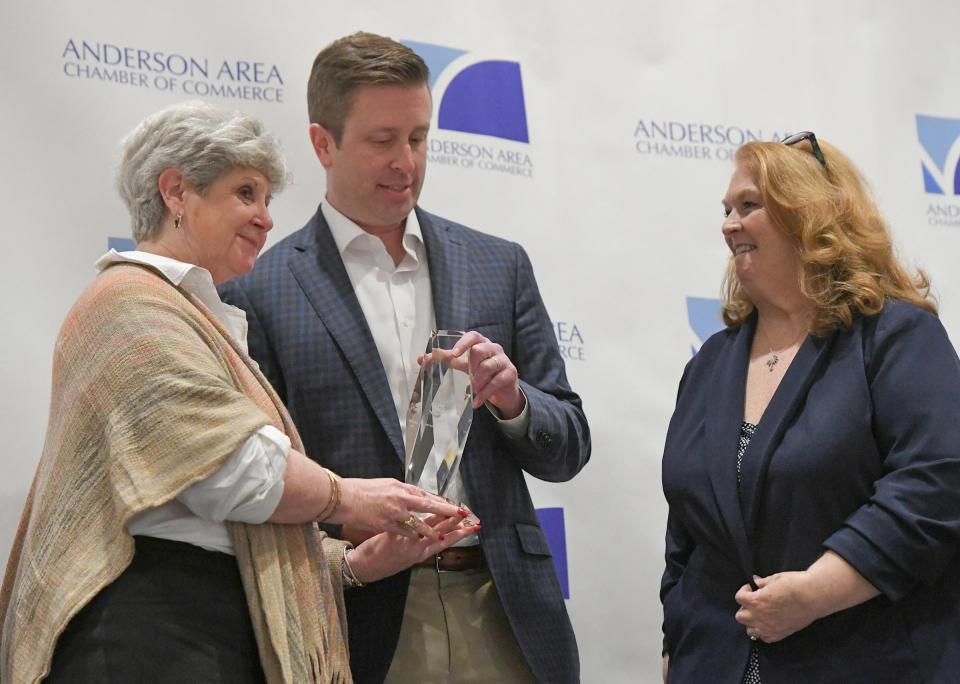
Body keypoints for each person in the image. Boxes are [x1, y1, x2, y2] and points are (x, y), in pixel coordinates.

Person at [0, 101, 480, 684]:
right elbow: (229, 469)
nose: (266, 219)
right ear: (176, 191)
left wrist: (356, 564)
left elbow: (229, 527)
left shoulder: (192, 315)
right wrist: (350, 497)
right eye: (246, 194)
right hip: (154, 639)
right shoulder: (129, 305)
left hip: (208, 631)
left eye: (268, 200)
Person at [219, 32, 590, 684]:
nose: (406, 163)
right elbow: (257, 481)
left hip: (504, 608)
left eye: (419, 138)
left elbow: (568, 448)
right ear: (322, 142)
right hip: (360, 618)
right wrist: (351, 555)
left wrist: (512, 400)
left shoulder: (497, 265)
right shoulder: (259, 293)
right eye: (383, 140)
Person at [660, 132, 960, 683]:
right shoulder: (709, 365)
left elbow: (935, 486)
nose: (729, 224)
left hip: (866, 661)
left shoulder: (896, 336)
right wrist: (676, 642)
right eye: (726, 210)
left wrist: (818, 592)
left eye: (749, 206)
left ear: (808, 216)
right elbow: (685, 534)